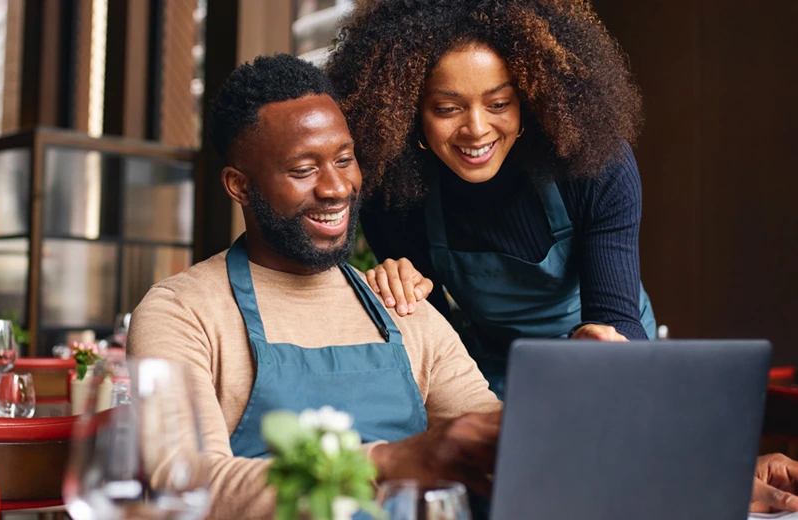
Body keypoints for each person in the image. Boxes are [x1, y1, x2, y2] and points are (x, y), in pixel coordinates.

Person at [127, 53, 798, 519]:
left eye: (343, 159)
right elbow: (185, 489)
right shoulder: (183, 311)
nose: (335, 188)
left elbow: (521, 444)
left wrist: (703, 478)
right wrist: (397, 461)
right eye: (304, 168)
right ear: (239, 185)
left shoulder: (402, 308)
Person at [325, 0, 656, 398]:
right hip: (495, 368)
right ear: (409, 110)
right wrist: (399, 292)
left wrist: (598, 343)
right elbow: (437, 344)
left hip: (606, 358)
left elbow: (618, 323)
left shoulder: (595, 164)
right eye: (448, 108)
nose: (477, 130)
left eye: (499, 104)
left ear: (529, 100)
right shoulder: (394, 194)